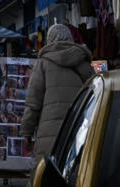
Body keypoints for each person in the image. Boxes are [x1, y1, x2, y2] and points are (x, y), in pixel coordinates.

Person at [21, 24, 94, 159]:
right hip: (78, 130)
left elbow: (33, 102)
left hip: (49, 135)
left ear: (49, 39)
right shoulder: (84, 64)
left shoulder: (43, 64)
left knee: (49, 175)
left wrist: (27, 132)